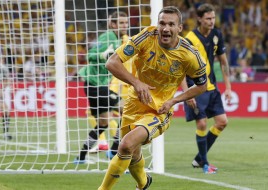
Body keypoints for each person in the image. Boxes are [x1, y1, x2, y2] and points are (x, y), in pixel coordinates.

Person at [98, 6, 207, 190]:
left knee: (125, 145)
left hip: (159, 110)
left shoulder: (189, 54)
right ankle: (143, 183)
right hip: (134, 103)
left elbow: (202, 85)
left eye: (171, 24)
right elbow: (112, 62)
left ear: (179, 28)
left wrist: (174, 100)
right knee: (131, 152)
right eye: (162, 23)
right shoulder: (147, 37)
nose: (165, 28)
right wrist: (136, 83)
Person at [181, 3, 232, 174]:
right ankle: (205, 164)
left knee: (222, 122)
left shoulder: (217, 34)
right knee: (202, 123)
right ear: (199, 19)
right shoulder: (189, 39)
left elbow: (224, 62)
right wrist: (187, 93)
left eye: (213, 18)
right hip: (195, 88)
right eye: (208, 18)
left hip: (212, 87)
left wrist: (228, 88)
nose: (212, 21)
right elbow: (181, 69)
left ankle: (199, 158)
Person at [74, 11, 129, 163]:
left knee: (103, 123)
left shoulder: (119, 40)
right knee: (127, 111)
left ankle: (81, 157)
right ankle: (113, 151)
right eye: (121, 23)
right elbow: (89, 55)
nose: (125, 25)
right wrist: (102, 55)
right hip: (95, 85)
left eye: (126, 22)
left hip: (97, 85)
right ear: (113, 24)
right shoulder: (108, 37)